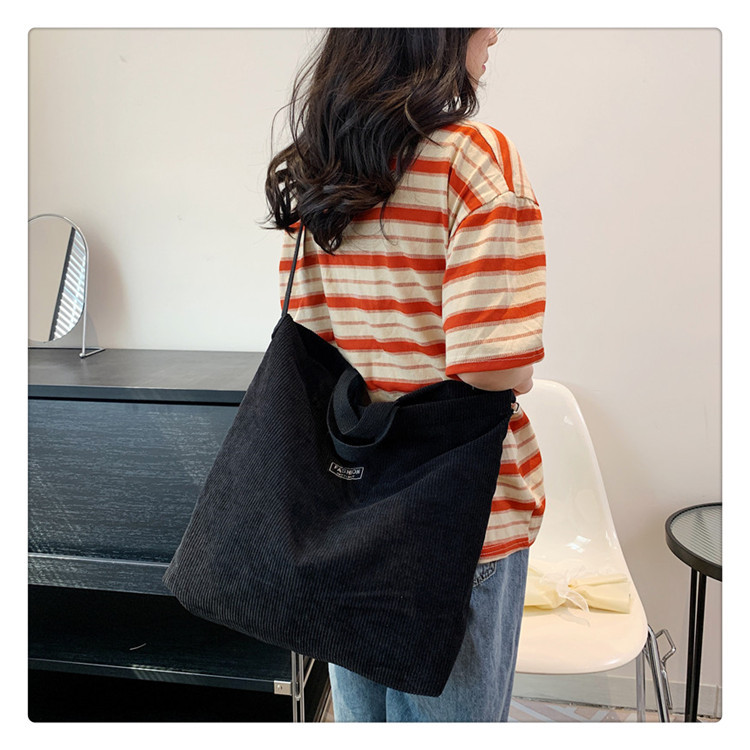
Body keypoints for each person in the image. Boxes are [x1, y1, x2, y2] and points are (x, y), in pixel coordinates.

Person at [264, 28, 546, 722]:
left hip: (351, 514)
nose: (495, 29)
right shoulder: (474, 161)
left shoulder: (323, 171)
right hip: (459, 516)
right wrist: (519, 371)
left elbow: (312, 336)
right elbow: (492, 365)